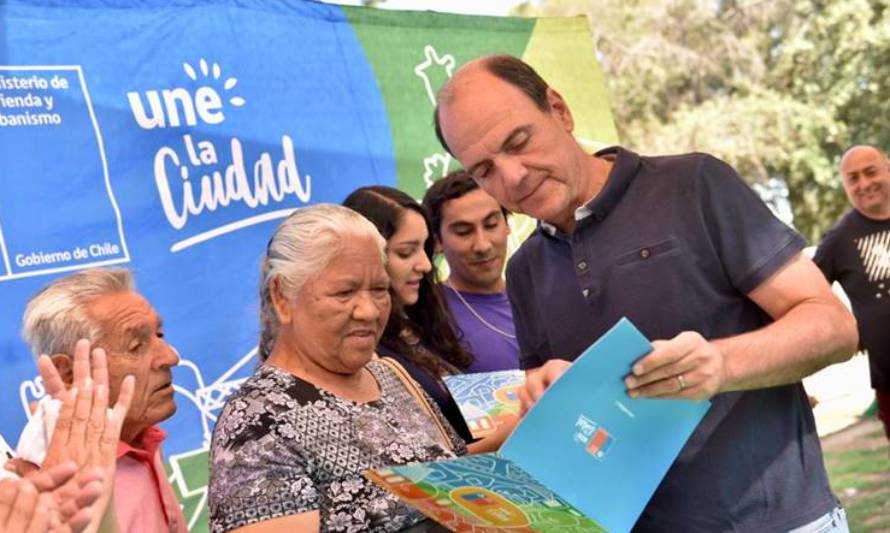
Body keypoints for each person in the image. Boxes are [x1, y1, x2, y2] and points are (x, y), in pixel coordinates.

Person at [434, 55, 859, 531]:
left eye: (519, 141)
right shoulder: (525, 269)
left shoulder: (695, 185)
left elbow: (834, 326)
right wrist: (546, 392)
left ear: (559, 109)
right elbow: (557, 412)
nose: (512, 177)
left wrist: (721, 365)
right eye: (484, 171)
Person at [209, 204, 465, 532]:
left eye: (379, 289)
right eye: (345, 292)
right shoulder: (257, 423)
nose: (369, 311)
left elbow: (462, 474)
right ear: (283, 297)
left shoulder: (389, 376)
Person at [344, 186, 516, 450]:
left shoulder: (417, 324)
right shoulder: (364, 350)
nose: (424, 265)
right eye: (405, 252)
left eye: (425, 249)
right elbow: (413, 465)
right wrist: (507, 436)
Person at [20, 269, 187, 533]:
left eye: (160, 335)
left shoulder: (138, 434)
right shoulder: (47, 489)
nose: (170, 356)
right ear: (69, 374)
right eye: (135, 346)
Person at [814, 144, 890, 452]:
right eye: (853, 178)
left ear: (887, 169)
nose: (864, 184)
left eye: (871, 172)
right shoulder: (839, 239)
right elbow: (806, 294)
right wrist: (848, 327)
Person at [422, 170, 520, 372]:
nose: (482, 245)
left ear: (507, 224)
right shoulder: (429, 312)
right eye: (464, 232)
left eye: (491, 224)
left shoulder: (538, 298)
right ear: (437, 241)